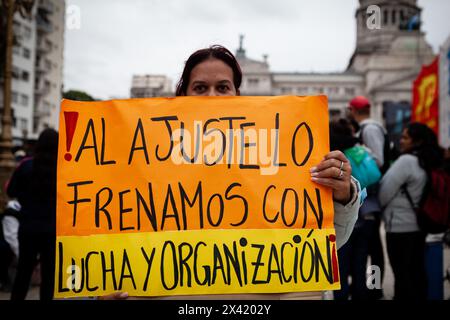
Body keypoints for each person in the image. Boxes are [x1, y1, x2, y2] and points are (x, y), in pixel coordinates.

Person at [102, 45, 362, 300]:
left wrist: (341, 195)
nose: (213, 98)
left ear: (238, 94)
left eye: (223, 88)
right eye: (201, 88)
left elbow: (322, 242)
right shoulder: (147, 157)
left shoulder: (278, 151)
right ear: (183, 95)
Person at [379, 122, 444, 300]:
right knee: (417, 273)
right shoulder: (429, 161)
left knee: (402, 277)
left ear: (417, 141)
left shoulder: (407, 161)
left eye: (405, 137)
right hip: (420, 225)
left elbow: (384, 191)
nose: (401, 141)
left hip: (399, 227)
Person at [329, 119, 380, 300]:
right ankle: (360, 294)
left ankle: (341, 296)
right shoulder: (362, 151)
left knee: (339, 266)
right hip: (367, 215)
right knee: (360, 262)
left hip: (343, 217)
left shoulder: (331, 156)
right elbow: (377, 175)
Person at [6, 129, 59, 300]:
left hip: (28, 228)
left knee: (23, 273)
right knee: (49, 276)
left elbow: (10, 191)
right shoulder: (63, 170)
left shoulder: (26, 166)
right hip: (52, 230)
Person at [347, 96, 386, 299]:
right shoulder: (369, 128)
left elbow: (377, 160)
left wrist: (362, 154)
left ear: (353, 110)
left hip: (370, 196)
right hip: (368, 197)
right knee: (369, 248)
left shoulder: (369, 129)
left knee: (373, 249)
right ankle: (370, 287)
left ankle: (375, 288)